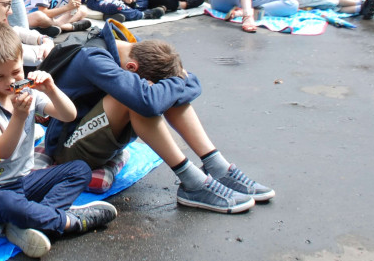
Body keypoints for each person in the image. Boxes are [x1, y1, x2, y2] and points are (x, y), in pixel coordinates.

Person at [42, 23, 273, 212]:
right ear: (131, 67)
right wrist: (170, 85)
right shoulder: (94, 59)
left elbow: (190, 81)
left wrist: (172, 84)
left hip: (97, 135)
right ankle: (192, 183)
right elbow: (149, 101)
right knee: (138, 100)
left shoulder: (136, 48)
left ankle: (217, 166)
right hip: (67, 148)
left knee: (159, 93)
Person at [0, 22, 116, 258]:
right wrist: (19, 116)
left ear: (22, 62)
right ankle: (70, 222)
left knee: (80, 169)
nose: (10, 82)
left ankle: (36, 220)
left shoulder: (28, 91)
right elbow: (3, 150)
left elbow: (69, 115)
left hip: (25, 181)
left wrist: (51, 89)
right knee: (7, 205)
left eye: (16, 72)